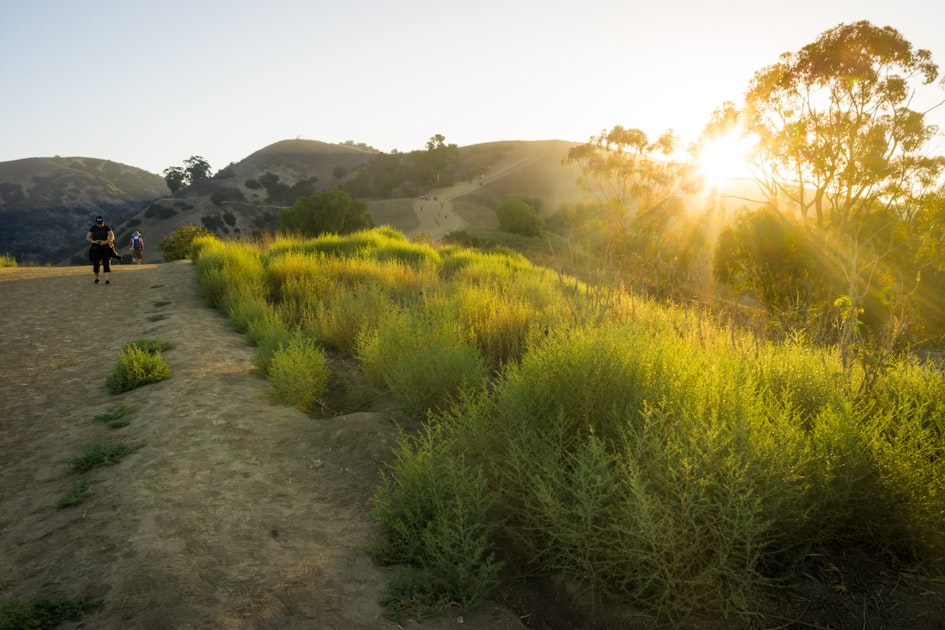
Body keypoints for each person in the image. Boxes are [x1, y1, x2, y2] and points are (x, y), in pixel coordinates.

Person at [86, 215, 115, 285]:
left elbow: (112, 237)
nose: (99, 224)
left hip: (105, 247)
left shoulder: (106, 228)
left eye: (101, 223)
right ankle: (97, 279)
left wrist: (105, 242)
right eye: (98, 223)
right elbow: (88, 237)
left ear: (103, 222)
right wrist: (94, 242)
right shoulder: (93, 228)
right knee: (96, 264)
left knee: (106, 263)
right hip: (96, 247)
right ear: (96, 222)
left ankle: (107, 280)